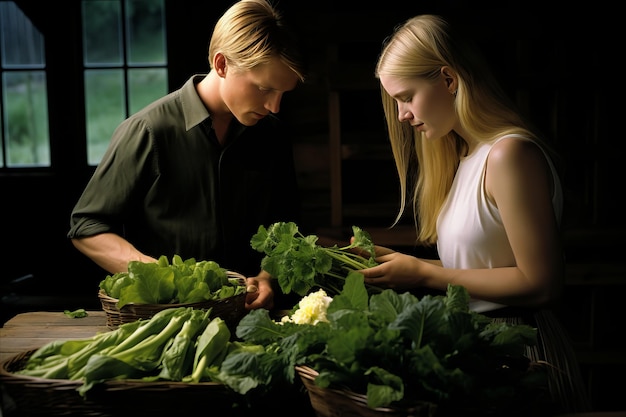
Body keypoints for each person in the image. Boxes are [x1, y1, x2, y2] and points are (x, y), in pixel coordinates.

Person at [358, 14, 592, 413]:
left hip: (522, 352)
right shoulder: (465, 157)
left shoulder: (509, 154)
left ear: (449, 80)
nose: (401, 115)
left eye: (407, 97)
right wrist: (403, 265)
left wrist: (422, 272)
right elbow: (483, 266)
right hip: (482, 347)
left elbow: (542, 283)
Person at [67, 0, 306, 311]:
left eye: (282, 94)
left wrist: (267, 277)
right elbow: (86, 227)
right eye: (263, 89)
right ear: (221, 64)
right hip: (166, 319)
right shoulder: (149, 130)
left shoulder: (272, 134)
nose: (274, 107)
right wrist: (162, 276)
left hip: (253, 319)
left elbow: (288, 224)